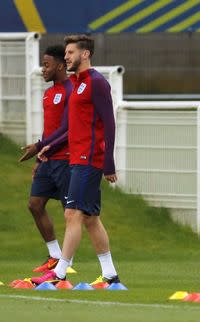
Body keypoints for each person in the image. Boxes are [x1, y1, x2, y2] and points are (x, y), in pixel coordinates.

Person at [31, 34, 120, 286]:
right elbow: (67, 127)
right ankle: (111, 274)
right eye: (66, 53)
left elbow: (109, 124)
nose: (66, 57)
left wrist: (108, 163)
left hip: (89, 158)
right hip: (76, 158)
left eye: (70, 53)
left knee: (72, 213)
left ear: (85, 54)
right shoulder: (77, 83)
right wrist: (44, 146)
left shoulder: (97, 83)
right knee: (90, 218)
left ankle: (59, 274)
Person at [19, 45, 75, 274]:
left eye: (47, 65)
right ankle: (55, 256)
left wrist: (40, 147)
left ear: (61, 66)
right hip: (48, 159)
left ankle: (67, 264)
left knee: (71, 213)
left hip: (66, 159)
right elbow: (50, 129)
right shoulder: (48, 93)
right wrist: (40, 158)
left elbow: (67, 129)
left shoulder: (72, 90)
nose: (43, 69)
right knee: (34, 205)